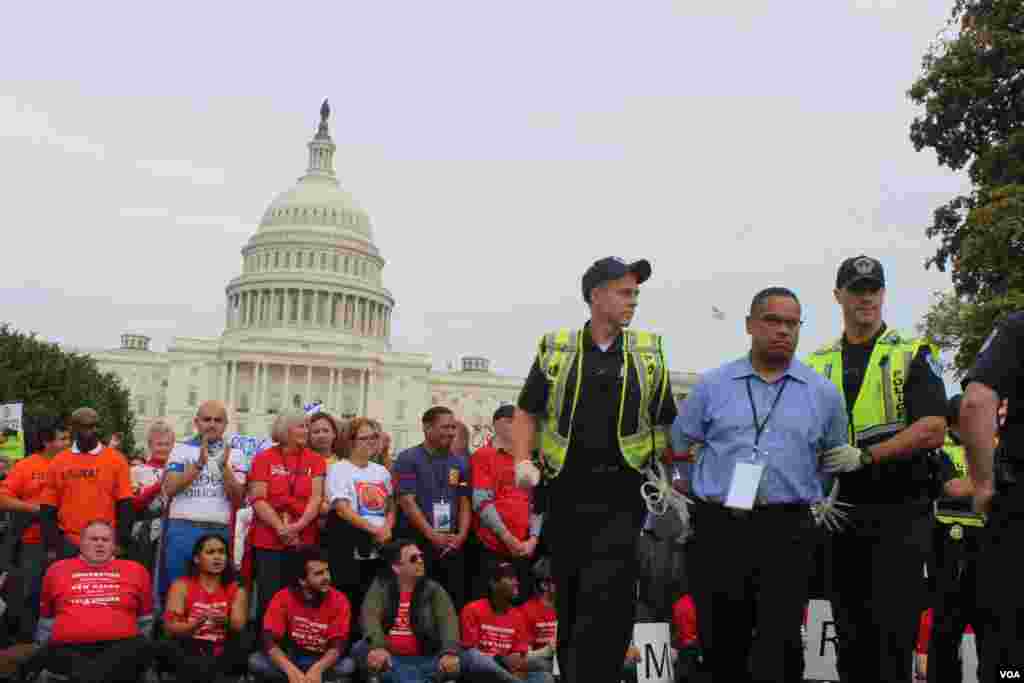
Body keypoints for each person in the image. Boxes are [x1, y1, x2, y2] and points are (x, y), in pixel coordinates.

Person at [511, 256, 677, 683]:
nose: (633, 301)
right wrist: (523, 460)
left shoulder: (649, 351)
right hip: (567, 494)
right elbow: (527, 411)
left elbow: (665, 422)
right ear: (596, 295)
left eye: (636, 294)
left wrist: (667, 475)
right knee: (572, 598)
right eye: (625, 292)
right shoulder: (557, 348)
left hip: (623, 498)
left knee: (614, 599)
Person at [673, 286, 847, 682]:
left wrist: (807, 498)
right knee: (720, 641)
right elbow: (679, 446)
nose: (783, 330)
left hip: (788, 530)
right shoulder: (713, 385)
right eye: (773, 320)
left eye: (792, 323)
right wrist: (685, 493)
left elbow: (832, 460)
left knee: (781, 642)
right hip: (720, 527)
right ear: (750, 325)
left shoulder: (823, 394)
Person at [805, 256, 948, 683]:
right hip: (839, 513)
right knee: (848, 637)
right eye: (856, 289)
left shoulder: (913, 352)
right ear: (838, 296)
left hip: (898, 511)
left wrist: (867, 456)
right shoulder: (816, 362)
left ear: (883, 294)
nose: (865, 298)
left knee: (892, 635)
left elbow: (934, 428)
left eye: (873, 289)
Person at [958, 311, 1024, 680]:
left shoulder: (1017, 328)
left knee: (1008, 655)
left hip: (1018, 515)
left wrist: (983, 484)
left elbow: (975, 401)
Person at [28, 520, 163, 683]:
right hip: (68, 647)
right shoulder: (57, 569)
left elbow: (145, 620)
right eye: (93, 539)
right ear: (81, 543)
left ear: (114, 546)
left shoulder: (136, 570)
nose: (100, 544)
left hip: (123, 646)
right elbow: (46, 621)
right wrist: (40, 650)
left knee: (138, 649)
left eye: (105, 540)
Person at [159, 401, 248, 607]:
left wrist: (224, 468)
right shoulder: (180, 449)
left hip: (218, 530)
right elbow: (170, 488)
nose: (212, 424)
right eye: (206, 419)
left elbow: (238, 499)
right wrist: (198, 464)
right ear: (196, 422)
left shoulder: (236, 454)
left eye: (218, 420)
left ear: (225, 424)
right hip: (183, 528)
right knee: (177, 588)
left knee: (213, 593)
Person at [927, 394, 987, 683]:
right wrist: (996, 480)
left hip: (988, 546)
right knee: (945, 627)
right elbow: (952, 488)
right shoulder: (941, 449)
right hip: (947, 548)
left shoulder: (994, 447)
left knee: (993, 629)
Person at [249, 411, 326, 622]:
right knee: (269, 596)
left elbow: (316, 498)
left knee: (299, 596)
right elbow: (257, 498)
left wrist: (298, 526)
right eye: (300, 426)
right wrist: (280, 527)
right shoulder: (264, 458)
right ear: (285, 430)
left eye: (306, 426)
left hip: (303, 539)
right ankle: (267, 644)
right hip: (269, 539)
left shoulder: (316, 460)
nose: (306, 431)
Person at [394, 407, 471, 610]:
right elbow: (407, 502)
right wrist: (432, 535)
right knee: (418, 603)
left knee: (449, 602)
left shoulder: (460, 463)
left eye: (453, 427)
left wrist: (461, 535)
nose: (451, 432)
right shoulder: (408, 459)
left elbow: (464, 501)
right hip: (418, 544)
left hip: (450, 545)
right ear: (427, 428)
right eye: (445, 427)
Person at [355, 538, 462, 682]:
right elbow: (369, 616)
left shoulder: (433, 589)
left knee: (461, 660)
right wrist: (378, 646)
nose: (420, 561)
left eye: (421, 556)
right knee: (360, 649)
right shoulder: (381, 586)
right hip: (389, 657)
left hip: (426, 657)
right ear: (396, 567)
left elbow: (448, 622)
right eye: (413, 558)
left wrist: (449, 652)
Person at [0, 416, 68, 641]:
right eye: (63, 438)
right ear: (47, 442)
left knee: (60, 596)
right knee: (30, 595)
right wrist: (33, 509)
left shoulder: (72, 465)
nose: (68, 443)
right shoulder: (26, 466)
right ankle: (26, 644)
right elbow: (2, 497)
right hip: (32, 544)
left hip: (66, 542)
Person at [39, 407, 134, 561]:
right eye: (84, 427)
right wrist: (51, 546)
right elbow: (48, 507)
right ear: (73, 429)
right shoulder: (58, 461)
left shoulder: (116, 460)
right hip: (68, 542)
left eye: (93, 426)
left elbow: (125, 504)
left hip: (104, 541)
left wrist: (121, 542)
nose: (90, 431)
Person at [249, 546, 354, 683]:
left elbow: (338, 646)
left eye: (327, 571)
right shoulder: (282, 597)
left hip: (321, 660)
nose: (326, 577)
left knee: (347, 666)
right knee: (256, 661)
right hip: (291, 658)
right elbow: (269, 641)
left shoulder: (339, 600)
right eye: (319, 573)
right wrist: (291, 671)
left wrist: (317, 670)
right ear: (302, 580)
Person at [469, 405, 542, 602]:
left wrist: (533, 539)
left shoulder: (529, 460)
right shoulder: (483, 456)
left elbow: (537, 503)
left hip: (524, 548)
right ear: (499, 424)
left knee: (519, 610)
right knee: (491, 608)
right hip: (492, 547)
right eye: (514, 422)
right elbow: (481, 502)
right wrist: (508, 538)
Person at [325, 416, 395, 617]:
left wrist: (387, 528)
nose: (372, 442)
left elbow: (391, 506)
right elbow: (342, 509)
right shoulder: (339, 469)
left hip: (380, 547)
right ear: (351, 441)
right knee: (351, 603)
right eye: (365, 438)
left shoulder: (382, 472)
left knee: (376, 605)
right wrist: (374, 530)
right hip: (351, 546)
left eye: (374, 437)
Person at [164, 534, 250, 683]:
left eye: (221, 552)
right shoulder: (181, 586)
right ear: (197, 559)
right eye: (210, 552)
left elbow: (239, 625)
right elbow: (170, 626)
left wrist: (225, 621)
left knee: (240, 647)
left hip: (223, 648)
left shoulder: (236, 589)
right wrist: (193, 625)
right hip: (188, 646)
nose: (217, 557)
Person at [460, 560, 552, 683]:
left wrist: (516, 665)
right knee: (475, 658)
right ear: (493, 583)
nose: (516, 582)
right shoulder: (472, 609)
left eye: (516, 578)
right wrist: (501, 660)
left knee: (545, 676)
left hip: (505, 674)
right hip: (481, 674)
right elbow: (471, 656)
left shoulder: (518, 616)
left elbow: (517, 661)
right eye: (509, 578)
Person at [130, 419, 174, 570]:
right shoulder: (137, 471)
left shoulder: (180, 472)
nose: (163, 448)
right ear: (150, 445)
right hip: (145, 533)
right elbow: (134, 504)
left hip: (172, 531)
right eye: (159, 444)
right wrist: (158, 485)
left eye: (167, 444)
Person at [515, 558, 557, 674]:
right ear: (544, 585)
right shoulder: (525, 612)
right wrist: (549, 650)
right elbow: (523, 658)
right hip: (540, 668)